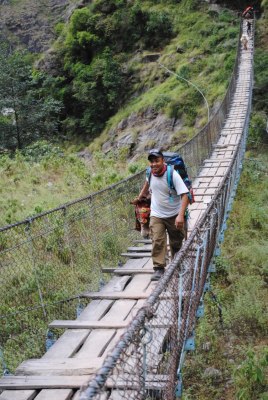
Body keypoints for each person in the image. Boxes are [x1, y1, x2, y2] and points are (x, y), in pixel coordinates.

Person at [136, 149, 189, 281]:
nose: (154, 164)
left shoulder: (173, 175)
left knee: (176, 241)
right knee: (157, 240)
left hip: (174, 214)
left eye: (156, 161)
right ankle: (159, 268)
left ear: (163, 161)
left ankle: (177, 264)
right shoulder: (149, 172)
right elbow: (147, 183)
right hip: (157, 214)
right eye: (151, 161)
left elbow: (185, 195)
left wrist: (180, 216)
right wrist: (141, 196)